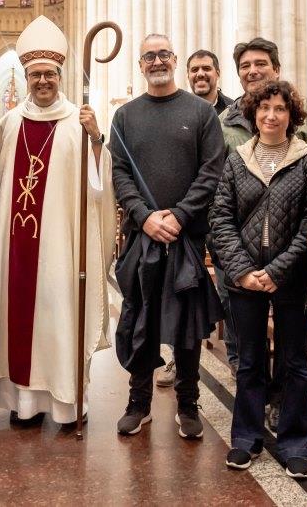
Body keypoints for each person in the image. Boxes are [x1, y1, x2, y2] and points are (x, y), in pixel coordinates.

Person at [0, 15, 116, 427]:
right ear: (26, 78)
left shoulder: (79, 122)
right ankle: (24, 405)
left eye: (49, 74)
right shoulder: (9, 123)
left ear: (60, 76)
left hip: (61, 247)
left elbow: (98, 186)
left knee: (59, 320)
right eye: (35, 75)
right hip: (16, 248)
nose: (43, 81)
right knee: (19, 322)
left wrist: (97, 140)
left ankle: (66, 402)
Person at [111, 33, 225, 440]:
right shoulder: (125, 116)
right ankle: (138, 403)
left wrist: (179, 215)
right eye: (149, 56)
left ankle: (188, 403)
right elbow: (119, 172)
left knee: (187, 327)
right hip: (142, 235)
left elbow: (212, 171)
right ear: (140, 65)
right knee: (140, 319)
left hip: (185, 237)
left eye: (163, 54)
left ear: (174, 60)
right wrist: (144, 217)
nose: (157, 61)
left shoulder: (201, 113)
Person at [210, 80, 307, 478]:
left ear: (292, 116)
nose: (271, 115)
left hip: (292, 276)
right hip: (245, 278)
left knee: (295, 360)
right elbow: (221, 217)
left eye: (280, 109)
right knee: (249, 360)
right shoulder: (237, 160)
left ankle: (296, 442)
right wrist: (242, 270)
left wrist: (278, 270)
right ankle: (246, 438)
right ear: (253, 114)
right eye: (264, 108)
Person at [186, 49, 233, 115]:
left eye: (206, 68)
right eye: (195, 70)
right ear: (188, 76)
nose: (200, 74)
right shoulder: (177, 108)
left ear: (218, 74)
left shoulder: (234, 110)